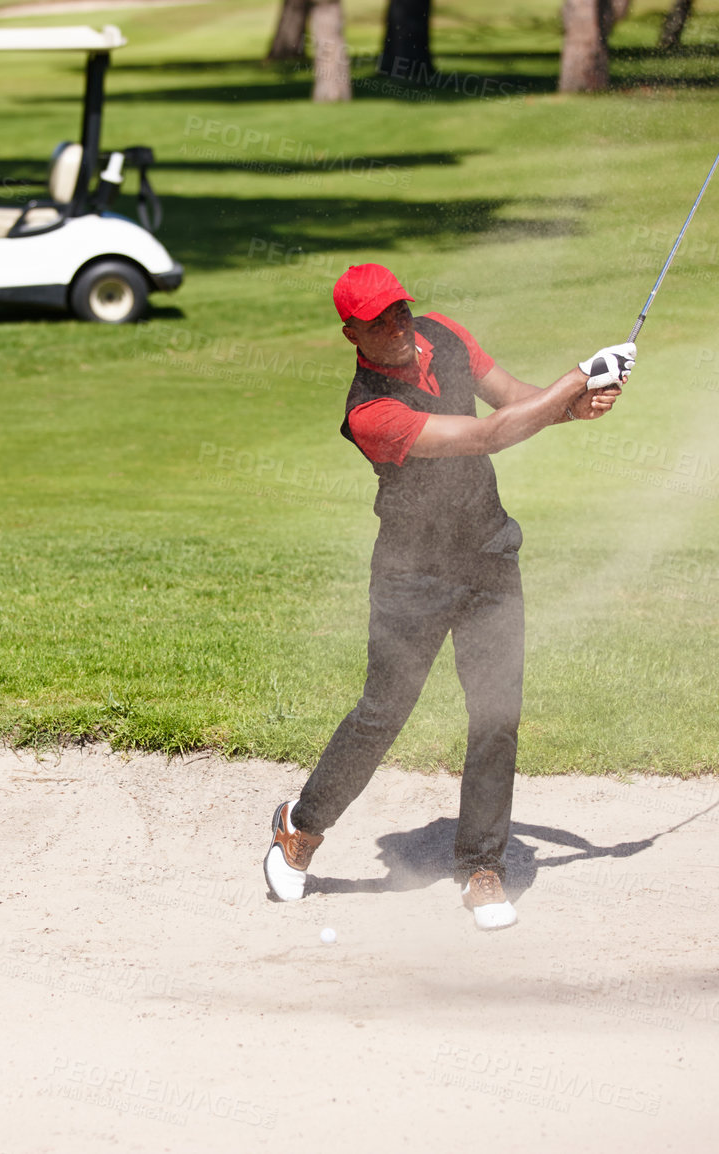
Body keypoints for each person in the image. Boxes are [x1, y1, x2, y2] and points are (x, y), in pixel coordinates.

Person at [262, 264, 632, 929]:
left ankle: (481, 866)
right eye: (379, 321)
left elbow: (513, 398)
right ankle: (302, 827)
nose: (398, 325)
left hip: (488, 555)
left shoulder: (446, 336)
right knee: (383, 713)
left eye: (401, 310)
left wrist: (574, 404)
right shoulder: (370, 411)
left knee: (496, 714)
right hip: (413, 573)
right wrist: (579, 376)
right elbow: (489, 435)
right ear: (352, 333)